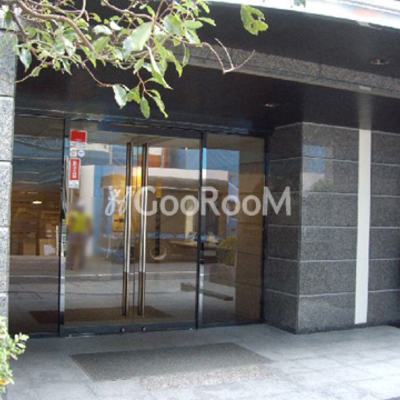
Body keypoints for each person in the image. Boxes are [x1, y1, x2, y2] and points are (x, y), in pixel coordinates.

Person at [66, 200, 92, 270]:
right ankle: (81, 265)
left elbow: (69, 225)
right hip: (83, 235)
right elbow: (90, 227)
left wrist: (67, 233)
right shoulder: (87, 216)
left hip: (74, 235)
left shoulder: (72, 215)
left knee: (71, 251)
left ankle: (70, 265)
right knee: (82, 251)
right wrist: (89, 235)